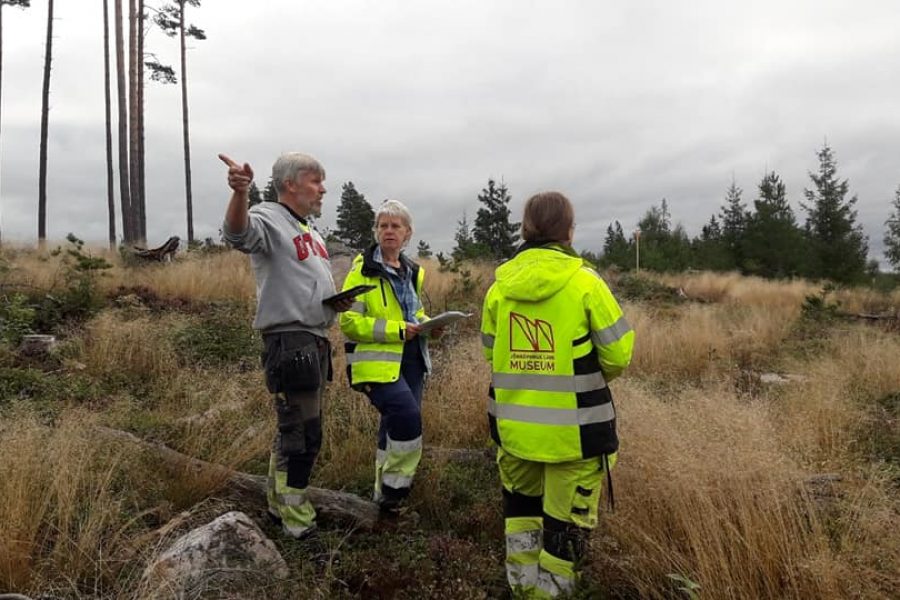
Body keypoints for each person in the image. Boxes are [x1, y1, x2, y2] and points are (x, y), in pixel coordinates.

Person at [480, 192, 634, 598]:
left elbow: (490, 352)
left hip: (513, 431)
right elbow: (619, 355)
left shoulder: (499, 288)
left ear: (526, 229)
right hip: (575, 435)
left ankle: (522, 590)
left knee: (521, 518)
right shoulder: (586, 283)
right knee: (563, 531)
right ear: (568, 231)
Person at [219, 151, 353, 542]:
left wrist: (333, 303)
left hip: (314, 339)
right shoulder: (268, 217)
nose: (323, 189)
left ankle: (279, 505)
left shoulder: (309, 230)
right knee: (303, 435)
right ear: (290, 184)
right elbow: (237, 234)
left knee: (293, 429)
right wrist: (240, 193)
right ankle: (297, 520)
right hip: (291, 341)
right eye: (315, 181)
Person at [339, 199, 442, 515]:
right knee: (407, 417)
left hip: (412, 360)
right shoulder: (362, 271)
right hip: (376, 364)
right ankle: (395, 492)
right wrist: (397, 330)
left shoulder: (412, 271)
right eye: (383, 225)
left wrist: (430, 326)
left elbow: (414, 313)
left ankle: (380, 497)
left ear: (407, 233)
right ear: (376, 231)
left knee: (392, 425)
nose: (388, 231)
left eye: (395, 226)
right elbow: (349, 322)